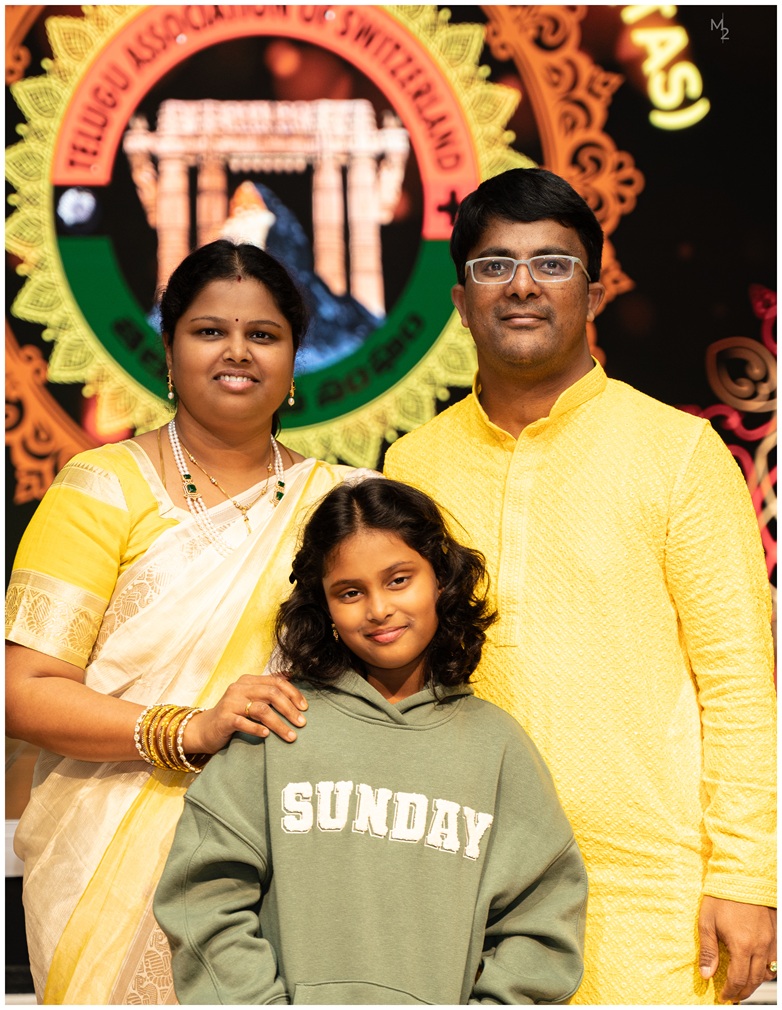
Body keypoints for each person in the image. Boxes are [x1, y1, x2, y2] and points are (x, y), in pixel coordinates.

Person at [383, 168, 777, 1005]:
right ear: (460, 302)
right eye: (495, 265)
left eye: (553, 264)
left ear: (594, 295)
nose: (523, 285)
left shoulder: (678, 453)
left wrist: (746, 874)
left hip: (647, 894)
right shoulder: (413, 466)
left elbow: (741, 684)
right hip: (460, 876)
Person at [5, 240, 370, 1004]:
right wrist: (190, 730)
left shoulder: (342, 505)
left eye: (263, 334)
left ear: (294, 361)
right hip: (106, 864)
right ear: (169, 353)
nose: (237, 351)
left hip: (290, 852)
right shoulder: (102, 487)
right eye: (209, 331)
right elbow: (25, 689)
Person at [154, 477, 588, 1005]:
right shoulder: (278, 725)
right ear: (325, 607)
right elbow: (202, 896)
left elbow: (542, 922)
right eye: (350, 592)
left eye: (399, 580)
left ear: (441, 580)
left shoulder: (498, 748)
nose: (378, 608)